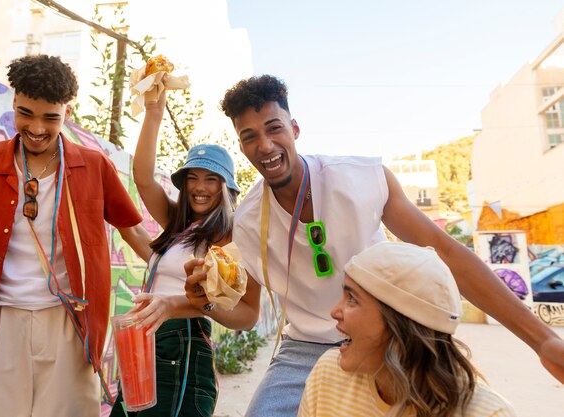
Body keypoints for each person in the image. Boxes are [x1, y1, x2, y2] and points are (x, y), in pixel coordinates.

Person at [183, 74, 564, 417]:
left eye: (273, 128)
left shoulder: (362, 178)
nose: (265, 145)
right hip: (305, 348)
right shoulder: (248, 219)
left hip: (389, 336)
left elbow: (444, 251)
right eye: (249, 136)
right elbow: (248, 314)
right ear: (241, 146)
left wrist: (543, 339)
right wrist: (207, 302)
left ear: (294, 128)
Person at [0, 54, 152, 417]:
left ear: (67, 113)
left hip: (70, 324)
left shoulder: (94, 165)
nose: (37, 127)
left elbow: (133, 229)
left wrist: (181, 272)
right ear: (14, 102)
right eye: (26, 113)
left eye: (51, 117)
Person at [109, 92, 261, 417]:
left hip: (182, 342)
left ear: (227, 188)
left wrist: (186, 305)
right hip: (143, 336)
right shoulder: (178, 225)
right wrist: (153, 113)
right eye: (192, 177)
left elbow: (249, 315)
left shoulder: (232, 235)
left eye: (211, 179)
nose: (199, 187)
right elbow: (143, 178)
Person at [298, 241, 516, 417]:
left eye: (352, 299)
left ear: (401, 323)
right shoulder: (327, 374)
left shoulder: (487, 413)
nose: (335, 311)